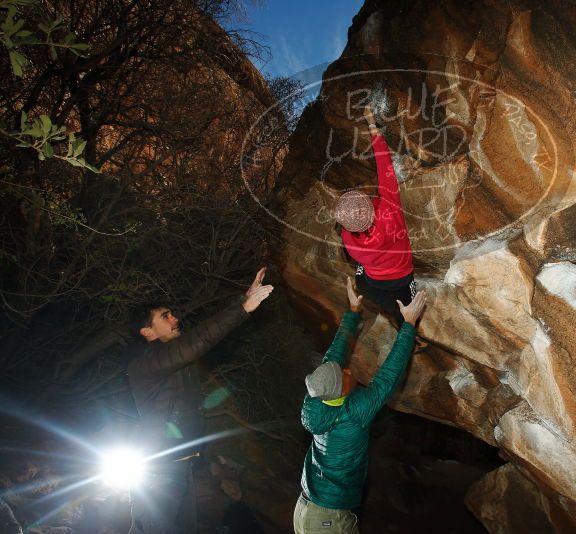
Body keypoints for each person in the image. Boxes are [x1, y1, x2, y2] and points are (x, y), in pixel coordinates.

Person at [126, 268, 274, 534]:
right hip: (157, 471)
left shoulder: (172, 357)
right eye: (165, 317)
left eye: (171, 313)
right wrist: (243, 308)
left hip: (180, 467)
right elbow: (197, 342)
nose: (175, 319)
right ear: (147, 332)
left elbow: (200, 337)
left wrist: (243, 298)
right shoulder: (145, 364)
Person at [293, 277, 427, 534]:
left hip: (309, 508)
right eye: (344, 375)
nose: (348, 370)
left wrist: (353, 312)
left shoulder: (316, 397)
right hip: (326, 519)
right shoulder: (353, 413)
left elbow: (333, 357)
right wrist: (408, 324)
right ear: (341, 392)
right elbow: (386, 379)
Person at [335, 104, 415, 327]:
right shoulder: (389, 207)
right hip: (402, 275)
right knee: (407, 303)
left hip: (373, 282)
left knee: (367, 283)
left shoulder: (349, 238)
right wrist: (371, 124)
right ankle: (408, 327)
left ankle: (396, 318)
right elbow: (385, 166)